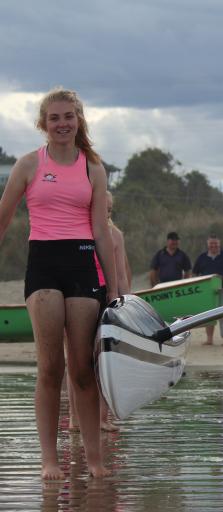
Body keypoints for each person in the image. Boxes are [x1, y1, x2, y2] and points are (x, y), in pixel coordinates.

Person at [0, 88, 117, 479]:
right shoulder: (29, 165)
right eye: (55, 118)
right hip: (44, 266)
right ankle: (49, 460)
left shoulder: (93, 168)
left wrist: (114, 288)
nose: (63, 123)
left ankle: (95, 460)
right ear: (43, 124)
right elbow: (3, 216)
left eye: (69, 116)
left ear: (79, 120)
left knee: (82, 368)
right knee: (50, 366)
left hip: (83, 263)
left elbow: (102, 231)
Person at [68, 190, 132, 432]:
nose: (105, 212)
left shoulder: (115, 235)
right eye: (100, 207)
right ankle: (74, 418)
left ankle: (102, 417)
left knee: (103, 359)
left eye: (109, 208)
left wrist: (125, 304)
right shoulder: (77, 233)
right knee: (74, 359)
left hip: (107, 296)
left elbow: (121, 274)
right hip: (79, 296)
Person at [193, 234, 223, 345]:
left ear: (219, 244)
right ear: (208, 245)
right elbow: (195, 273)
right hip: (207, 292)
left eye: (216, 243)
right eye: (211, 243)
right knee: (209, 316)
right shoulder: (202, 257)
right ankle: (209, 339)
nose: (213, 246)